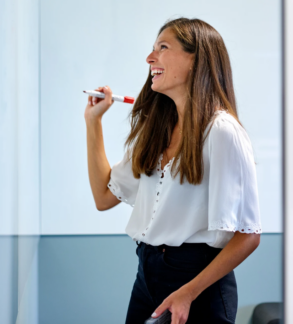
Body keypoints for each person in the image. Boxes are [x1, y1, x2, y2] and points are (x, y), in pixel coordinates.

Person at [84, 18, 261, 324]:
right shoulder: (157, 129)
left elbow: (248, 236)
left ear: (196, 60)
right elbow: (103, 197)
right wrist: (93, 122)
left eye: (162, 48)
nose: (150, 58)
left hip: (198, 285)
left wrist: (189, 292)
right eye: (153, 49)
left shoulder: (221, 132)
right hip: (147, 275)